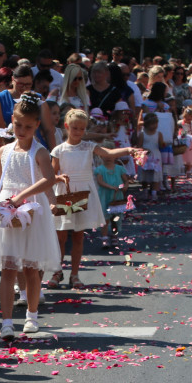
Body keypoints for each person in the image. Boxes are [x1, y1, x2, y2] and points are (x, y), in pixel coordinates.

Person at [0, 96, 62, 339]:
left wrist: (21, 196)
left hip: (30, 211)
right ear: (12, 121)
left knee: (31, 268)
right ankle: (6, 321)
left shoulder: (40, 152)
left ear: (36, 126)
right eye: (19, 125)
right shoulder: (4, 150)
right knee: (9, 268)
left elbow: (49, 179)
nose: (22, 131)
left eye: (28, 126)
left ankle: (32, 316)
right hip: (7, 213)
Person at [50, 109, 135, 289]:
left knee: (79, 235)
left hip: (82, 192)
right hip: (65, 193)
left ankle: (75, 274)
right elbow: (51, 174)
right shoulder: (59, 150)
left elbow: (109, 154)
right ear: (66, 127)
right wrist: (59, 178)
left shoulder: (88, 147)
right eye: (75, 128)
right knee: (61, 236)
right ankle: (57, 271)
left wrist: (128, 149)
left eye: (82, 129)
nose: (78, 132)